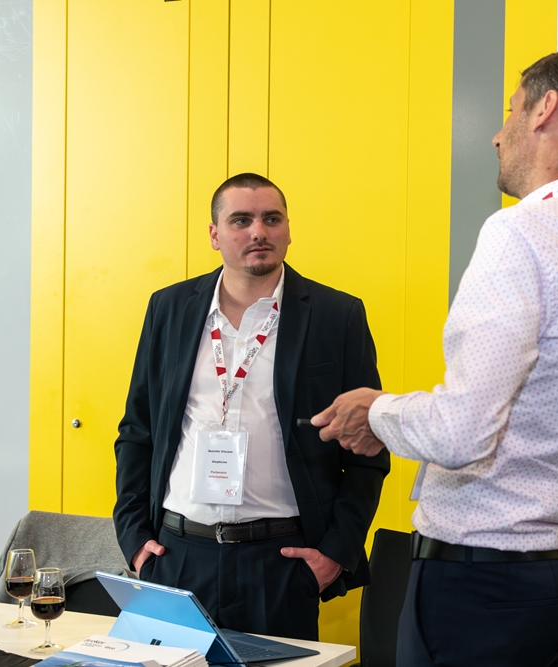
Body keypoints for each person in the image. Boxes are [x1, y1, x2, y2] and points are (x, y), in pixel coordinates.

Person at [313, 51, 558, 666]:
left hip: (478, 592)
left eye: (510, 110)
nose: (497, 134)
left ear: (545, 109)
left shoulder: (520, 234)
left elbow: (461, 433)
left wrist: (375, 412)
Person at [112, 173, 389, 641]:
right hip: (177, 556)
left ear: (288, 229)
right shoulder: (169, 308)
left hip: (280, 565)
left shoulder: (337, 316)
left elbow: (367, 448)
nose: (259, 231)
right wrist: (135, 539)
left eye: (271, 219)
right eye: (241, 220)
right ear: (215, 234)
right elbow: (138, 432)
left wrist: (334, 555)